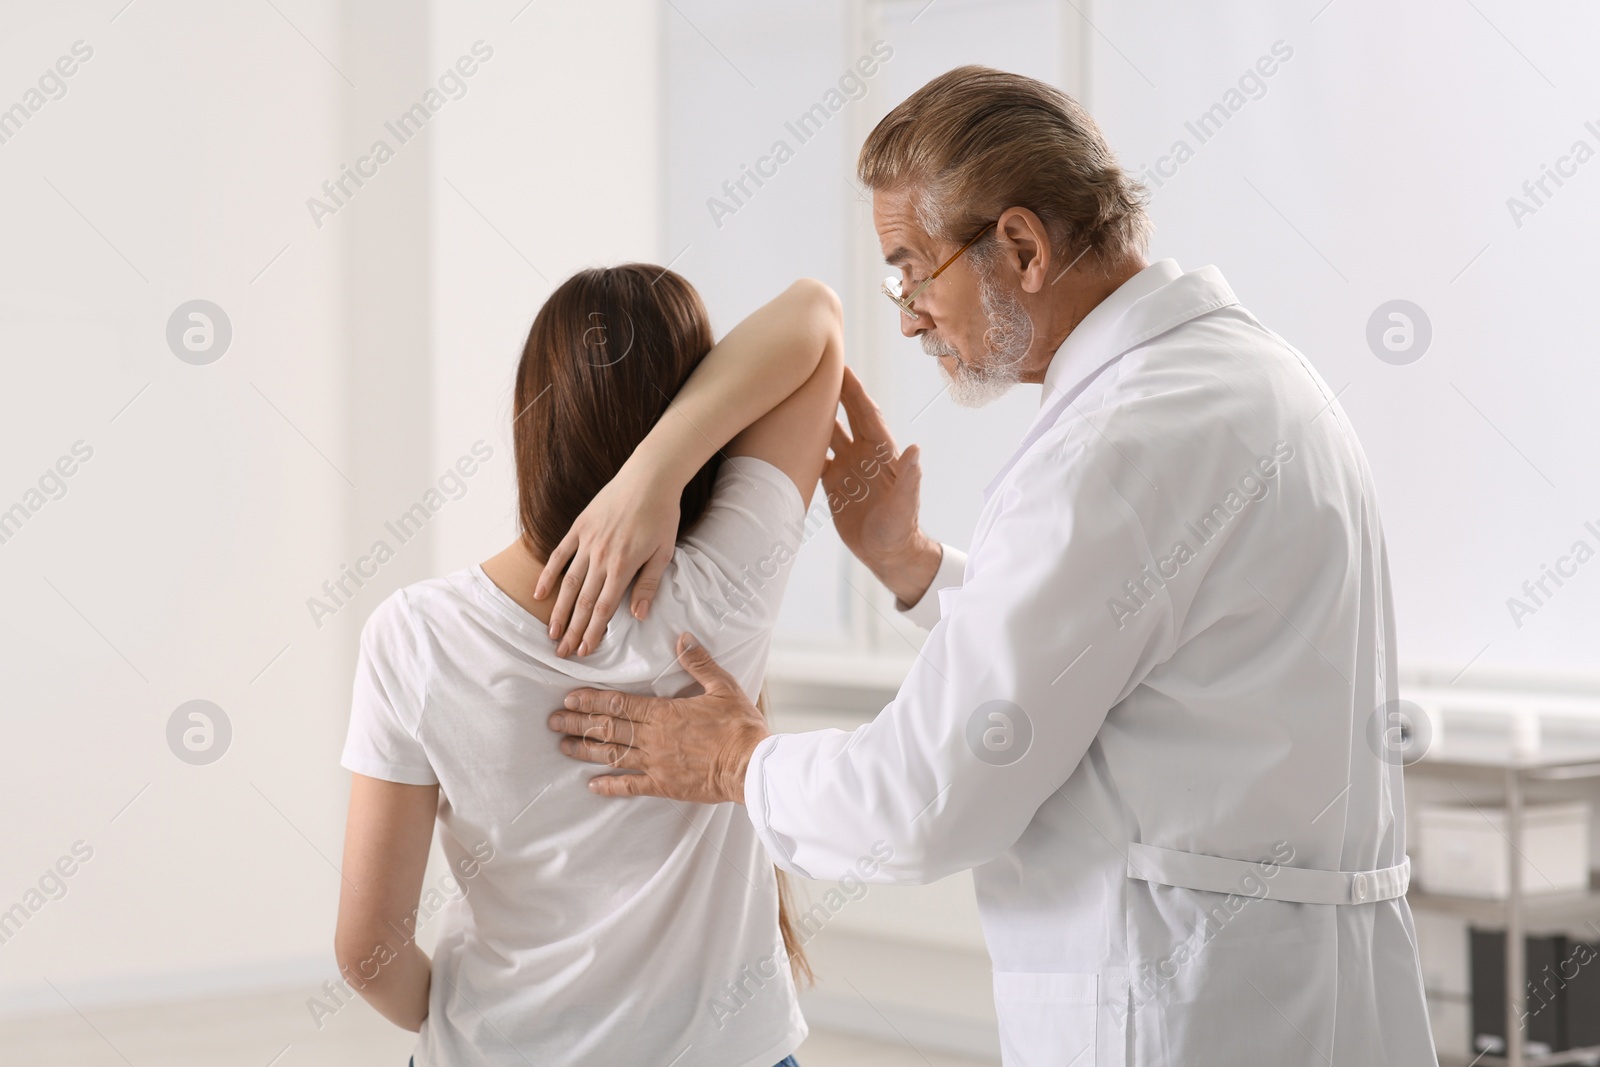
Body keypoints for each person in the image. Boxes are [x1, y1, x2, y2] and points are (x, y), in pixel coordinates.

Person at [545, 67, 1436, 1066]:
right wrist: (914, 565)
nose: (909, 314)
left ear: (1019, 245)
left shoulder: (1117, 442)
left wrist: (735, 760)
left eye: (912, 268)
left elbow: (927, 796)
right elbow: (1142, 645)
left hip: (1182, 1010)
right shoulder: (1258, 378)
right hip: (1297, 991)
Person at [335, 264, 843, 1066]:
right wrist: (657, 472)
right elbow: (814, 315)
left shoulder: (416, 633)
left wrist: (493, 1021)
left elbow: (367, 951)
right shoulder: (726, 585)